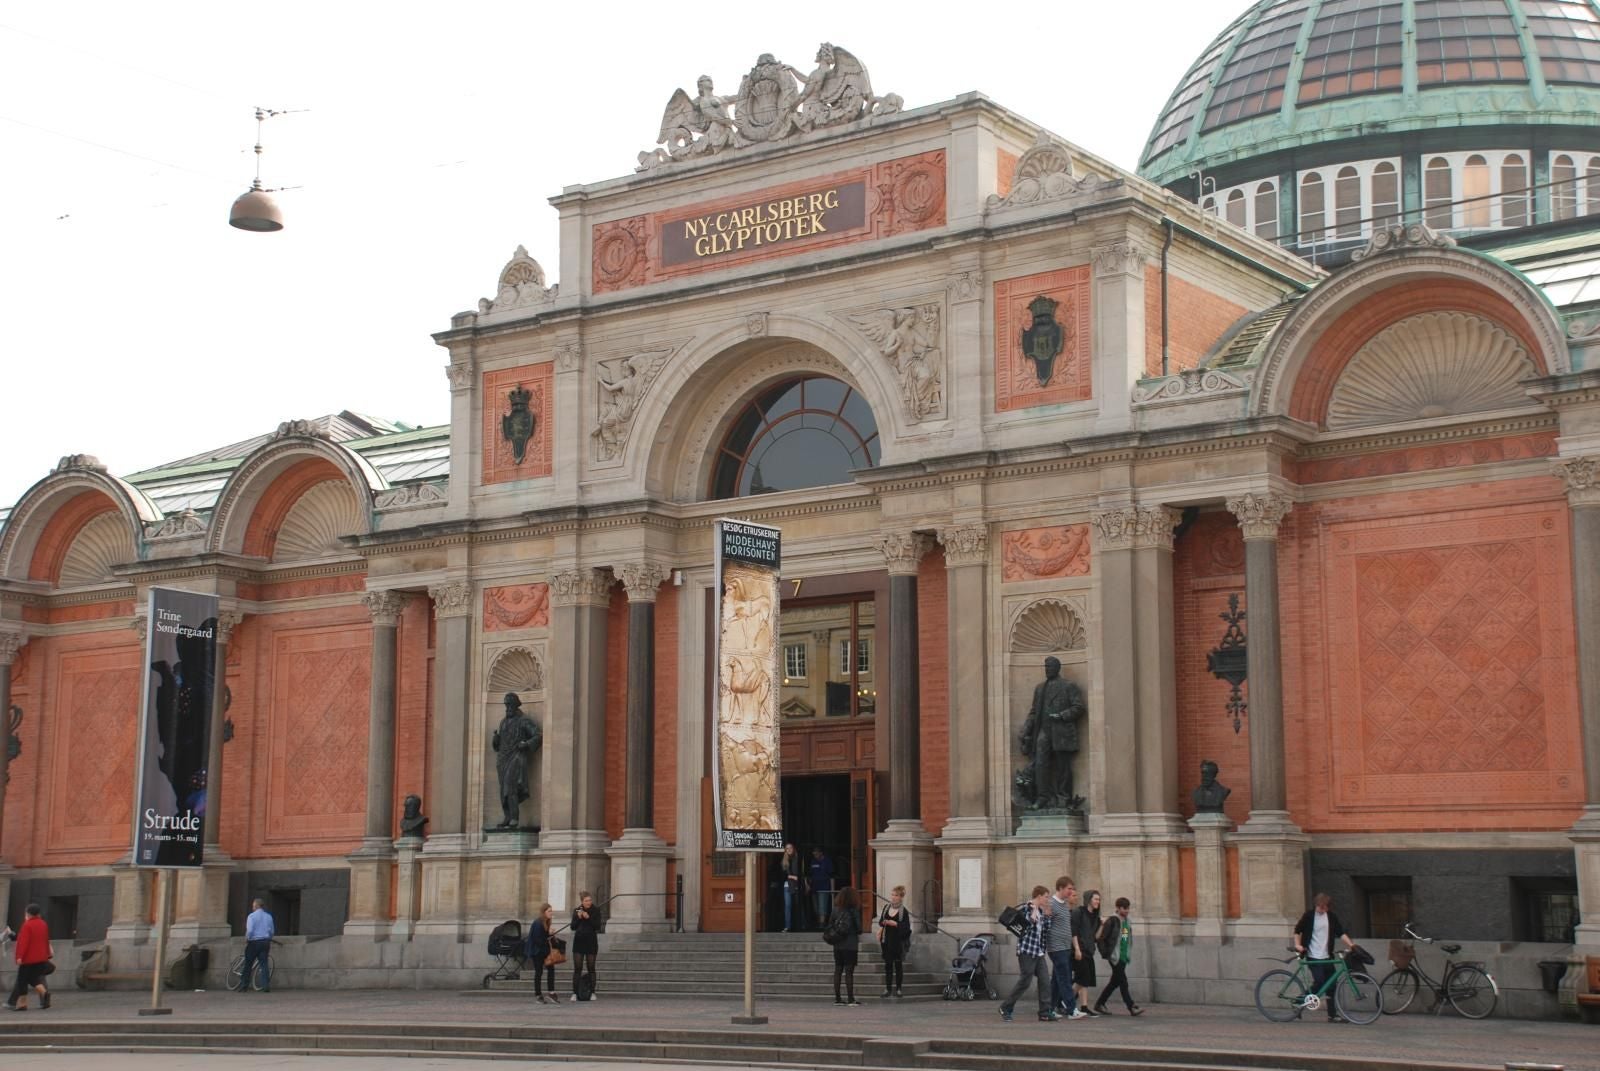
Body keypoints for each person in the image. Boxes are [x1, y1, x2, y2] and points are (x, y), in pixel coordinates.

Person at [1293, 892, 1355, 1023]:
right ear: (1317, 905)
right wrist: (1297, 945)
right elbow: (1297, 930)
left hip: (1327, 956)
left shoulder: (1331, 917)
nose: (1323, 910)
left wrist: (1351, 945)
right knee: (1320, 982)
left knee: (1331, 985)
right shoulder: (1309, 916)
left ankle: (1332, 1016)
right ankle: (1298, 1001)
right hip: (1312, 956)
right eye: (1321, 907)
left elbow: (1340, 932)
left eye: (1325, 907)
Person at [999, 885, 1056, 1022]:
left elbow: (1044, 931)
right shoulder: (1027, 908)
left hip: (1038, 951)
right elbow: (1024, 929)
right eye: (1046, 897)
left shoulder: (1040, 912)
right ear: (1039, 896)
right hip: (1026, 951)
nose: (1047, 900)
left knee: (1045, 981)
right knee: (1025, 981)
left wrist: (1048, 916)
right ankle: (1006, 1007)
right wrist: (1032, 916)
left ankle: (1044, 1012)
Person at [1094, 896, 1143, 1016]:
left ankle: (1100, 1003)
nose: (1126, 911)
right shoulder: (1112, 920)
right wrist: (1106, 953)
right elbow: (1102, 939)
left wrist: (1126, 952)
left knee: (1115, 982)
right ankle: (1131, 1006)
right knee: (1123, 982)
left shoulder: (1126, 921)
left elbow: (1124, 938)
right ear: (1118, 908)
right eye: (1124, 908)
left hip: (1123, 956)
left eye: (1128, 908)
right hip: (1114, 956)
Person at [1046, 876, 1086, 1020]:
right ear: (1061, 888)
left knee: (1057, 980)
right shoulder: (1051, 903)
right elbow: (1046, 924)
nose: (1071, 892)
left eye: (1072, 889)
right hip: (1056, 947)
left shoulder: (1064, 904)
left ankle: (1049, 1008)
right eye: (1069, 889)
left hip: (1065, 946)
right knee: (1065, 978)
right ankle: (1071, 1009)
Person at [4, 904, 52, 1011]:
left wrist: (19, 957)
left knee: (23, 980)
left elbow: (23, 942)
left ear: (28, 913)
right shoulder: (43, 924)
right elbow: (45, 940)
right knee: (31, 978)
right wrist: (47, 954)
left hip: (28, 958)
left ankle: (31, 999)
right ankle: (29, 1001)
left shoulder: (27, 925)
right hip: (41, 957)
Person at [876, 884, 913, 998]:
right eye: (892, 894)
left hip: (897, 941)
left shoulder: (903, 911)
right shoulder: (887, 907)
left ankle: (898, 989)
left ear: (901, 897)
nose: (893, 897)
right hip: (886, 940)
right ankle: (887, 988)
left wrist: (896, 924)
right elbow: (881, 921)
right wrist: (884, 924)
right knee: (888, 965)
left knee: (898, 965)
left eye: (896, 895)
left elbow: (907, 928)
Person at [830, 886, 862, 1006]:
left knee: (838, 970)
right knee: (849, 972)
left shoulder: (835, 909)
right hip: (851, 944)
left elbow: (830, 925)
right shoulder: (854, 910)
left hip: (837, 944)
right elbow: (859, 929)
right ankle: (850, 998)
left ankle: (838, 998)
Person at [1072, 890, 1102, 1016]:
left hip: (1090, 951)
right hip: (1081, 950)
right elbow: (1074, 931)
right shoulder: (1079, 912)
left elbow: (1095, 937)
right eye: (1096, 899)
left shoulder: (1097, 917)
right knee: (1083, 978)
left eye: (1099, 900)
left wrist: (1102, 925)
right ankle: (1064, 999)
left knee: (1085, 979)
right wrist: (1077, 949)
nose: (1098, 902)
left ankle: (1085, 1006)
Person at [524, 903, 559, 1005]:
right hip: (537, 951)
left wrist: (551, 934)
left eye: (551, 911)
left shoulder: (547, 922)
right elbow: (538, 940)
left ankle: (551, 992)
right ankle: (538, 995)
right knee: (538, 972)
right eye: (549, 911)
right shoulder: (538, 923)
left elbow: (546, 938)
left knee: (551, 970)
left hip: (544, 950)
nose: (551, 913)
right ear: (543, 912)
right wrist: (549, 934)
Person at [570, 892, 602, 1001]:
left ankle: (592, 992)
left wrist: (588, 918)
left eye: (590, 900)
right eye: (586, 901)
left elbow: (597, 926)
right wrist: (578, 918)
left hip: (591, 941)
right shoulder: (578, 910)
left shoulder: (595, 910)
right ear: (582, 902)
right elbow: (572, 927)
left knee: (591, 967)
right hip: (579, 941)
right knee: (577, 968)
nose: (589, 902)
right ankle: (574, 993)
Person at [242, 897, 275, 993]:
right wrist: (268, 937)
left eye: (253, 906)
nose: (252, 907)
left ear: (256, 906)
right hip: (265, 942)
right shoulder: (268, 916)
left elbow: (250, 930)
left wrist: (247, 938)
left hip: (254, 942)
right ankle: (265, 985)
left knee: (248, 963)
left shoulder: (251, 916)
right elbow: (272, 931)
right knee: (264, 964)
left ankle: (244, 985)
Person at [808, 848, 835, 929]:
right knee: (815, 907)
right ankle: (818, 922)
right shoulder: (813, 861)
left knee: (822, 906)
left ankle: (822, 924)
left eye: (816, 853)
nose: (815, 855)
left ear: (821, 852)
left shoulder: (827, 861)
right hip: (814, 887)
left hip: (824, 887)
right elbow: (810, 874)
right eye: (814, 853)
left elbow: (831, 874)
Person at [780, 843, 804, 932]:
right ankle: (787, 926)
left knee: (798, 905)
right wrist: (791, 876)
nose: (789, 849)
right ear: (785, 850)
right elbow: (781, 876)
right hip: (787, 886)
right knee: (787, 906)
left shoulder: (798, 859)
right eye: (787, 848)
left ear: (793, 849)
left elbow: (801, 874)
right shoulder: (783, 861)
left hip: (797, 885)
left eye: (790, 848)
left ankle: (799, 926)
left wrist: (794, 877)